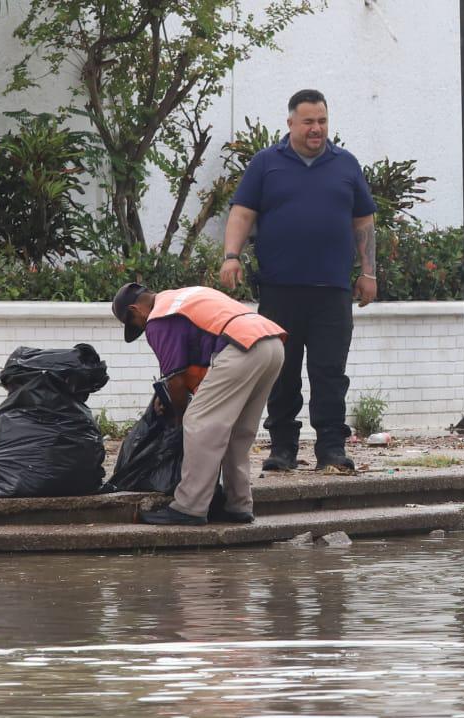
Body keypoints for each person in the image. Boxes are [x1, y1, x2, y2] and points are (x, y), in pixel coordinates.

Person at [219, 88, 377, 473]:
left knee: (329, 373)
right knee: (281, 371)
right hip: (279, 290)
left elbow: (364, 222)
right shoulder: (265, 164)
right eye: (308, 121)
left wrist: (368, 272)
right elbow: (242, 213)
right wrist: (231, 256)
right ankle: (283, 449)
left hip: (332, 292)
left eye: (322, 121)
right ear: (290, 122)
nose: (316, 129)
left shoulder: (346, 165)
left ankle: (331, 449)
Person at [112, 282, 286, 526]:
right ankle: (238, 505)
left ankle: (190, 507)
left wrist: (178, 416)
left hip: (241, 349)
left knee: (197, 422)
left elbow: (176, 380)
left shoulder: (159, 318)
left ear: (136, 310)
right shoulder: (182, 296)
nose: (143, 329)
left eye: (136, 325)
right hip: (271, 343)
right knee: (237, 431)